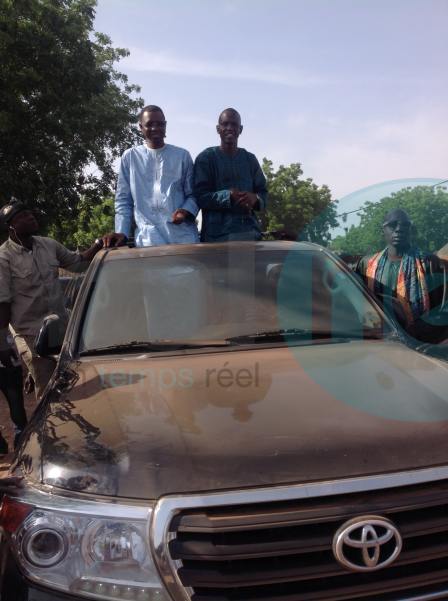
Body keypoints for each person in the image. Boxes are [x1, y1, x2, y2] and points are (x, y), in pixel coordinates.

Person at [0, 199, 122, 400]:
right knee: (48, 393)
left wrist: (101, 242)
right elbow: (2, 305)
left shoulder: (48, 244)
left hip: (62, 329)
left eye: (29, 213)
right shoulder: (4, 258)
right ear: (10, 226)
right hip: (31, 336)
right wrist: (3, 346)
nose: (30, 217)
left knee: (75, 381)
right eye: (22, 216)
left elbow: (78, 262)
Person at [356, 208, 447, 343]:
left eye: (405, 225)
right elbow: (357, 303)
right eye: (393, 225)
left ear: (410, 230)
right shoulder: (366, 264)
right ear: (383, 230)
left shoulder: (429, 263)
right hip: (377, 340)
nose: (399, 229)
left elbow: (441, 308)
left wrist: (420, 331)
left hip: (420, 342)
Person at [115, 104, 199, 246]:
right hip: (148, 241)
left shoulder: (182, 156)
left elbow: (194, 194)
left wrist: (185, 211)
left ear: (165, 126)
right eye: (149, 124)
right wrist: (121, 232)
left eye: (160, 124)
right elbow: (123, 200)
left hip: (182, 238)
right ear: (141, 127)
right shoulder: (130, 157)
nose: (155, 128)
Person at [193, 107, 268, 242]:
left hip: (249, 235)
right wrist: (228, 196)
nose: (229, 128)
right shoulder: (206, 158)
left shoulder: (250, 159)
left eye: (234, 124)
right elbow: (199, 197)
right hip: (216, 239)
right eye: (225, 124)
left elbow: (264, 193)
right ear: (218, 129)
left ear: (240, 129)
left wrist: (255, 199)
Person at [0, 328, 27, 455]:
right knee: (15, 402)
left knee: (15, 402)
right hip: (8, 354)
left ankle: (21, 442)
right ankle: (21, 443)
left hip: (8, 357)